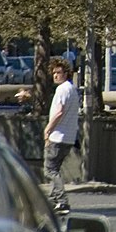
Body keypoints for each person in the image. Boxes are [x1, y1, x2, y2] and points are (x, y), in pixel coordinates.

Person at [44, 57, 79, 214]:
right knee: (55, 169)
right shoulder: (72, 89)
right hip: (69, 137)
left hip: (58, 136)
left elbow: (59, 112)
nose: (55, 75)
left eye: (59, 72)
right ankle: (53, 201)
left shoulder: (62, 89)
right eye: (54, 73)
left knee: (50, 170)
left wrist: (48, 129)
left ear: (66, 73)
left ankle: (62, 201)